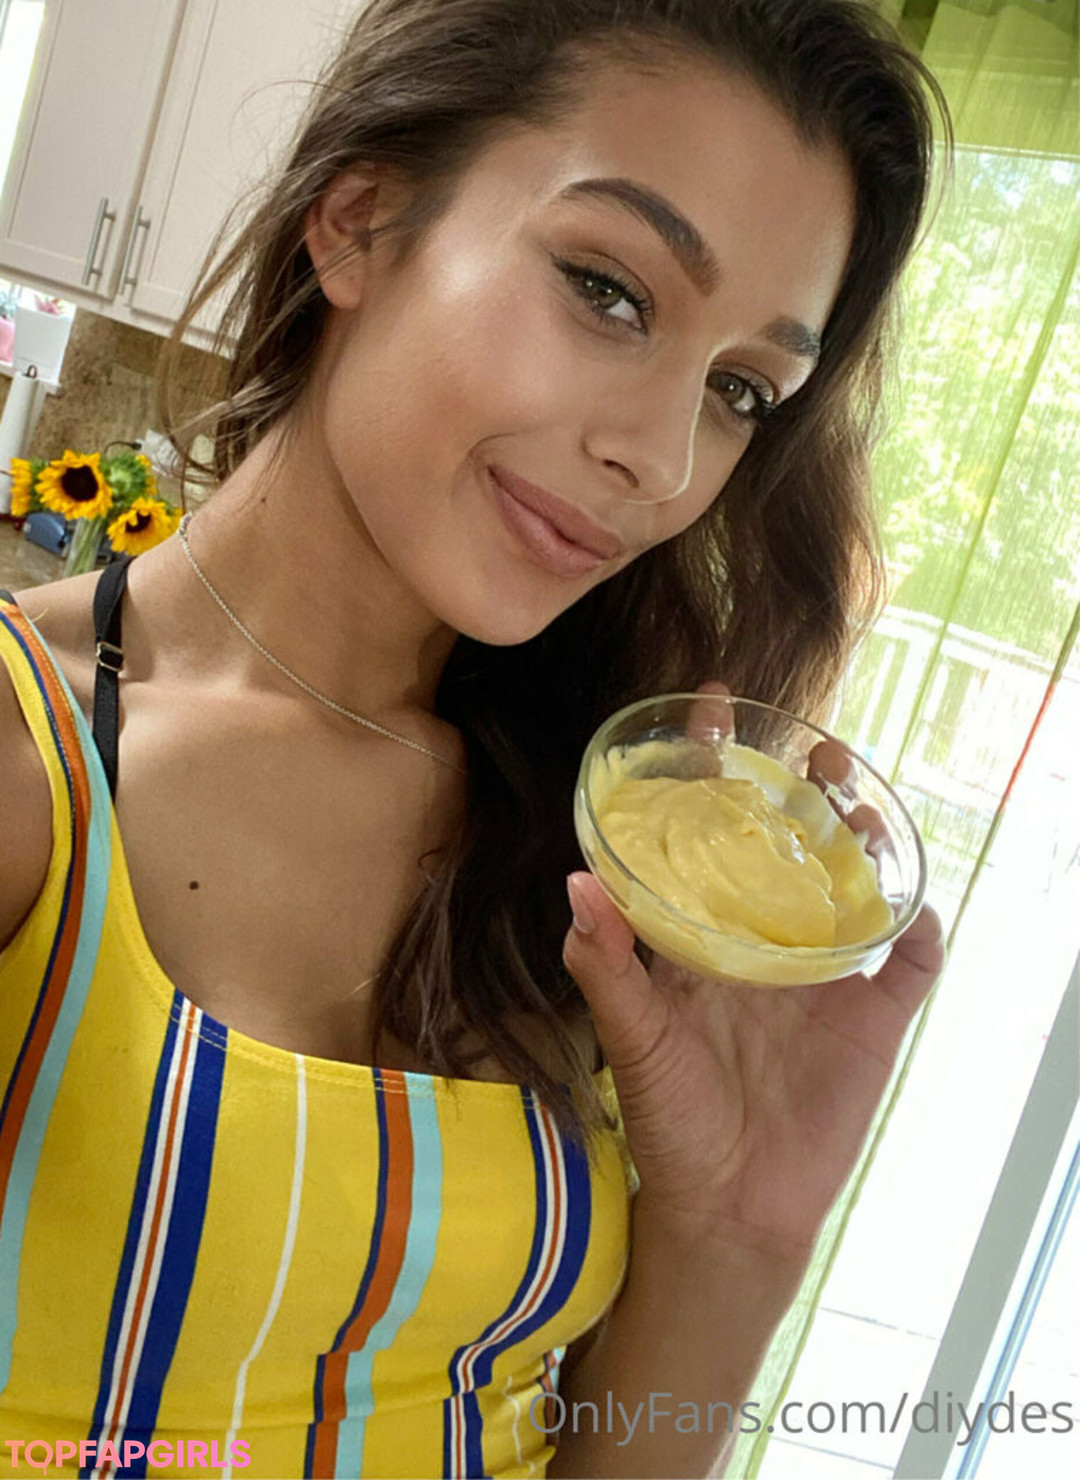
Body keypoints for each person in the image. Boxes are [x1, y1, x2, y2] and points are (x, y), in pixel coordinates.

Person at [0, 1, 949, 1475]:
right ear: (360, 224)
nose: (662, 457)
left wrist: (739, 1225)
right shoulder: (36, 757)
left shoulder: (596, 861)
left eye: (740, 390)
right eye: (610, 292)